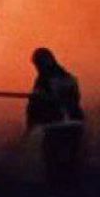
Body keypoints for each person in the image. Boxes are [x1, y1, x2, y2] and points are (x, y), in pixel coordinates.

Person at [25, 47, 85, 188]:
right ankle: (71, 188)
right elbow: (75, 99)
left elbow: (35, 105)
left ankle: (57, 189)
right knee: (70, 159)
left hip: (55, 126)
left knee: (52, 158)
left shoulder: (43, 80)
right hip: (75, 125)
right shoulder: (69, 77)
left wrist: (30, 123)